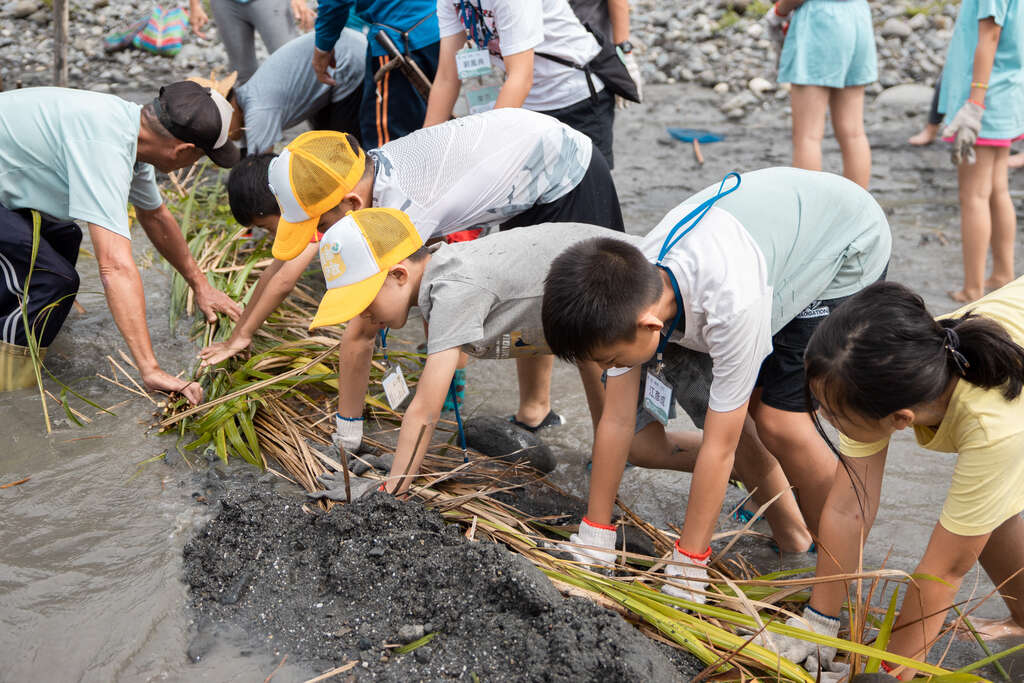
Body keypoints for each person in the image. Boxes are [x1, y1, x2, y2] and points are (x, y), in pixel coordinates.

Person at [541, 167, 891, 603]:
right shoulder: (632, 287)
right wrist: (595, 536)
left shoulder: (731, 305)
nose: (608, 369)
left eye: (611, 361)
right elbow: (614, 421)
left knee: (781, 422)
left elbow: (719, 447)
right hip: (777, 237)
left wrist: (689, 561)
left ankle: (839, 571)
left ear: (651, 325)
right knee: (751, 408)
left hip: (845, 244)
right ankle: (794, 537)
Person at [202, 108, 623, 449]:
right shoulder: (359, 176)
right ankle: (535, 412)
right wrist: (242, 333)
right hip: (523, 169)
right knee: (535, 299)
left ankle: (614, 446)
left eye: (324, 225)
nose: (323, 236)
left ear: (350, 202)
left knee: (591, 324)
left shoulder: (405, 209)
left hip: (566, 173)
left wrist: (348, 433)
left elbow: (363, 328)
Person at [784, 278, 1024, 679]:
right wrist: (818, 621)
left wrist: (888, 672)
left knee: (975, 519)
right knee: (983, 512)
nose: (824, 418)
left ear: (900, 420)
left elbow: (944, 571)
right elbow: (848, 507)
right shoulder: (886, 366)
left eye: (833, 413)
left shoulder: (993, 429)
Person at [307, 212, 634, 495]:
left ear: (399, 274)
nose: (361, 315)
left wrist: (392, 489)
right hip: (602, 287)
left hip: (628, 292)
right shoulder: (441, 268)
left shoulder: (453, 288)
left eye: (363, 302)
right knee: (631, 443)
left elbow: (426, 410)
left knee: (646, 450)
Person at [0, 82, 242, 401]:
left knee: (65, 237)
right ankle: (10, 390)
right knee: (51, 280)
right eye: (200, 158)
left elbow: (154, 216)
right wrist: (150, 369)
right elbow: (114, 266)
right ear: (183, 151)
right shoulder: (105, 148)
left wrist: (201, 285)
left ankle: (20, 318)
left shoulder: (126, 129)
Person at [424, 0, 617, 166]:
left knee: (587, 199)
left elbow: (521, 78)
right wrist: (424, 148)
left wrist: (483, 151)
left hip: (575, 96)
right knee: (536, 202)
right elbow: (446, 78)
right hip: (527, 105)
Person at [938, 0, 1023, 303]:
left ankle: (972, 287)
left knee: (973, 195)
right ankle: (1002, 274)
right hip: (1005, 96)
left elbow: (989, 36)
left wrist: (975, 103)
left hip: (985, 101)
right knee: (997, 189)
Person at [191, 29, 366, 156]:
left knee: (343, 151)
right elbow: (248, 156)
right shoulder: (247, 95)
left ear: (229, 108)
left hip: (347, 59)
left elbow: (258, 170)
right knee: (324, 145)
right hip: (338, 50)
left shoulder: (259, 111)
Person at [764, 0, 877, 189]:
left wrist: (779, 12)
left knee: (808, 135)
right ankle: (858, 213)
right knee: (854, 133)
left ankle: (811, 215)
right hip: (858, 18)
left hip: (820, 22)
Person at [312, 0, 440, 148]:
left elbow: (333, 3)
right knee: (432, 125)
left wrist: (322, 48)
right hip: (434, 25)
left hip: (399, 35)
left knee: (386, 144)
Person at [188, 0, 314, 83]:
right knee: (242, 74)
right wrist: (195, 5)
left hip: (270, 4)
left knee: (294, 66)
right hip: (225, 5)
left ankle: (322, 120)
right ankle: (253, 122)